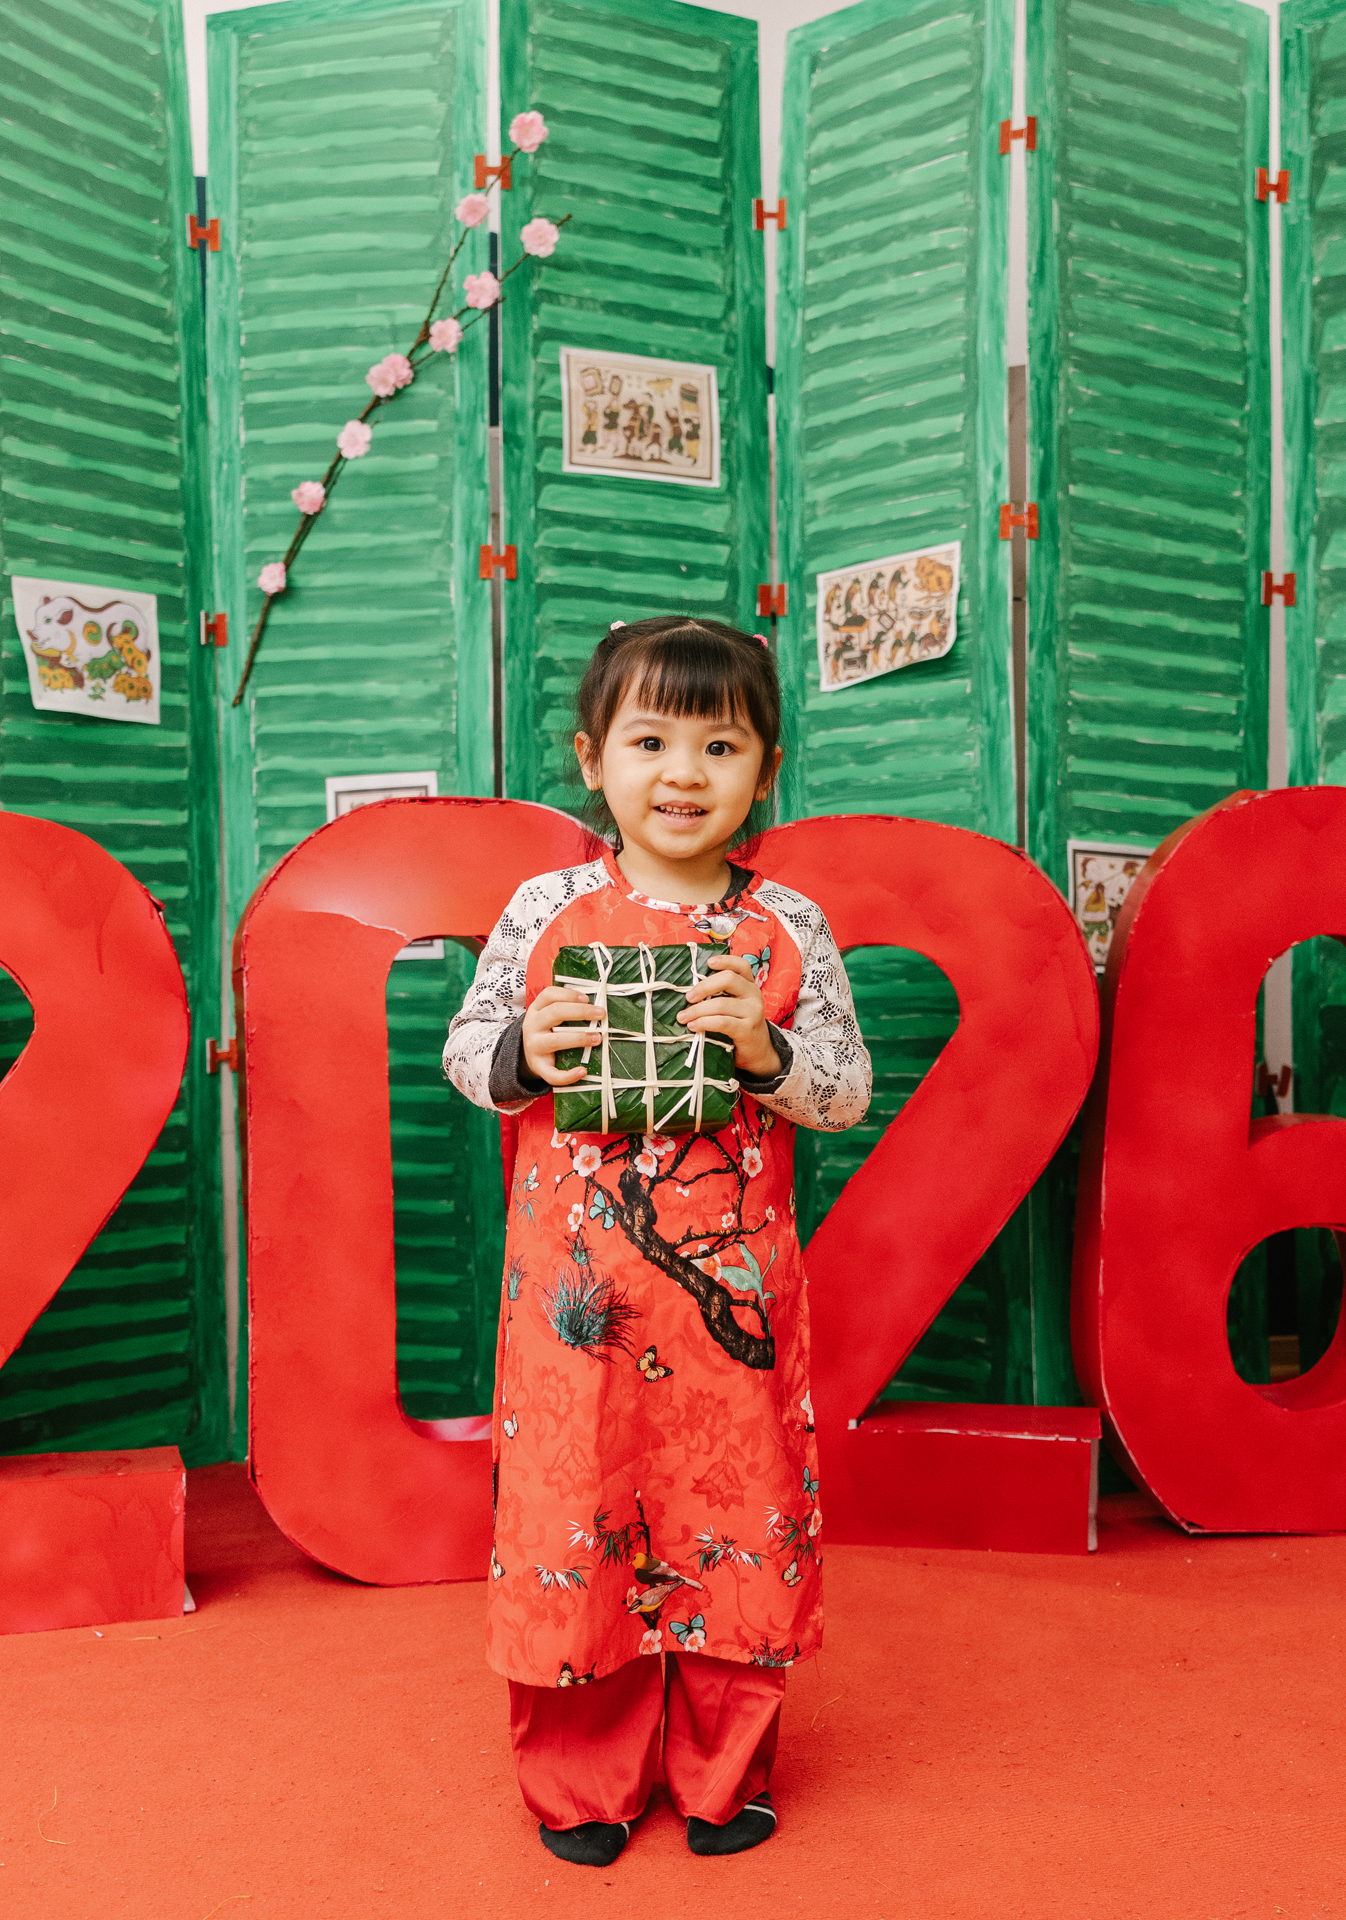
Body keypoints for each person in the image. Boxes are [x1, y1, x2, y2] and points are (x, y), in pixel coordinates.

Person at [444, 615, 871, 1868]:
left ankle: (725, 1772)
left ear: (765, 768)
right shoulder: (546, 908)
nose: (683, 773)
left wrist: (768, 1051)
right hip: (575, 1305)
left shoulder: (788, 923)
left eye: (719, 745)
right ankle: (583, 1779)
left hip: (728, 1298)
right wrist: (526, 1050)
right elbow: (465, 1053)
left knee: (733, 1520)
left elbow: (846, 1090)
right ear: (593, 759)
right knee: (576, 1517)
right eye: (649, 742)